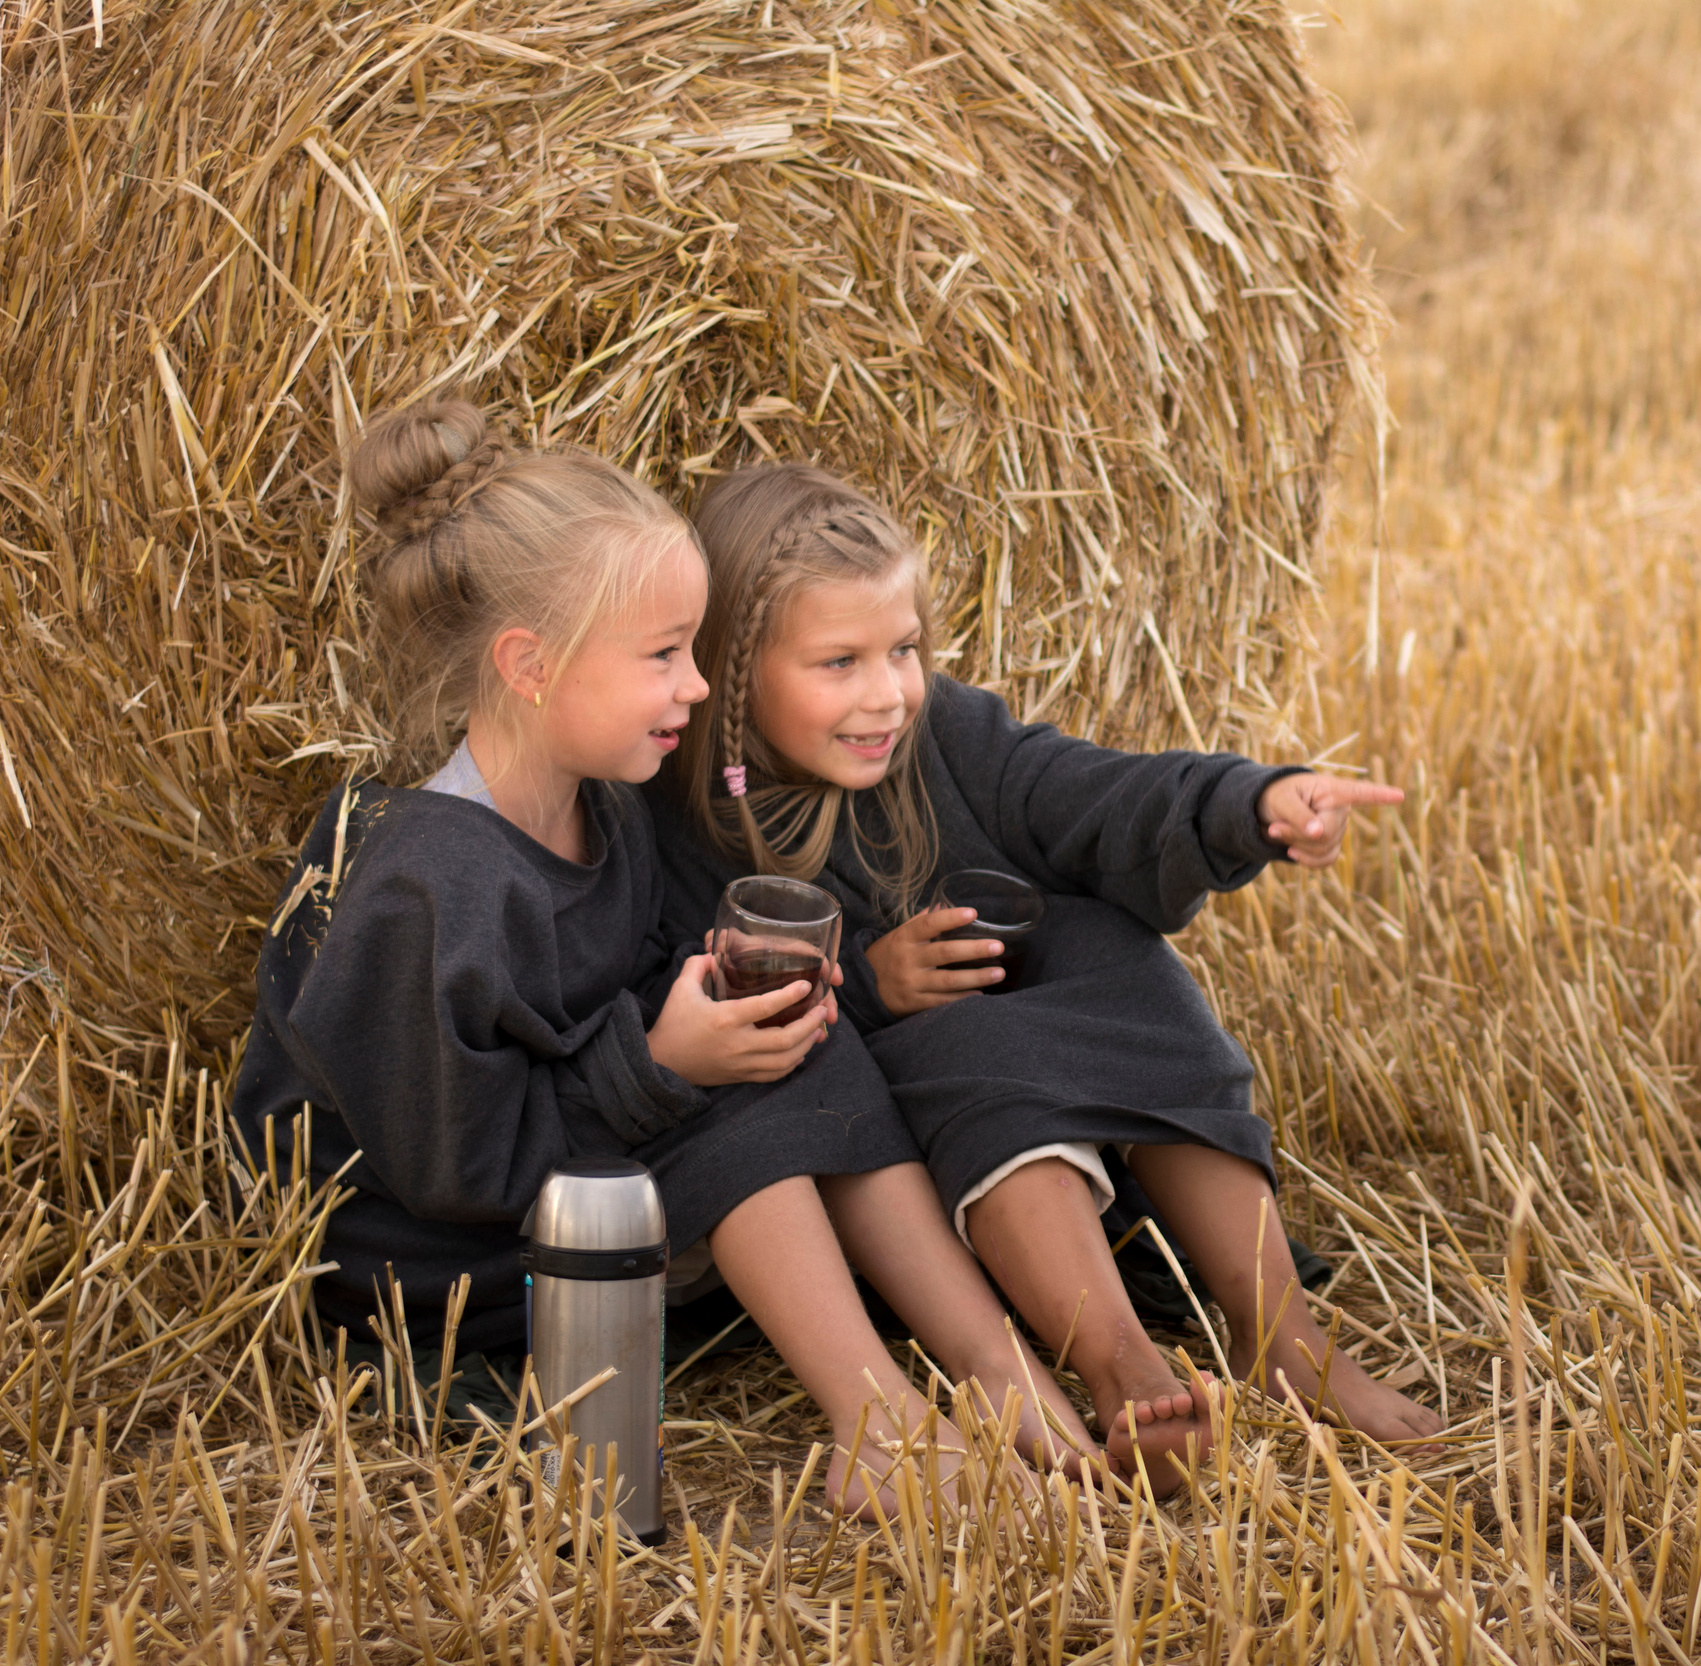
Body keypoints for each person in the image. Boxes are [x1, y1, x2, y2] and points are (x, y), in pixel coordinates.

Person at [232, 400, 1099, 1518]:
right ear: (530, 666)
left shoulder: (606, 808)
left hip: (570, 1185)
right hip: (432, 1264)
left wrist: (712, 1003)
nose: (698, 684)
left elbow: (621, 992)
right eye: (664, 656)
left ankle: (995, 1365)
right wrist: (665, 1064)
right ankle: (878, 1424)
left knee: (798, 1043)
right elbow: (458, 1166)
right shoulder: (429, 885)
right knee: (727, 1109)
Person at [649, 461, 1447, 1488]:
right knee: (984, 1057)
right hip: (911, 1147)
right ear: (732, 667)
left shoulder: (945, 734)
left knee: (1119, 956)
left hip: (1051, 1094)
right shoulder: (685, 820)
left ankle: (1285, 1335)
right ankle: (1120, 1364)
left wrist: (1248, 803)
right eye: (838, 662)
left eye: (903, 650)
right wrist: (872, 984)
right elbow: (723, 1026)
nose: (887, 693)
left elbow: (1087, 790)